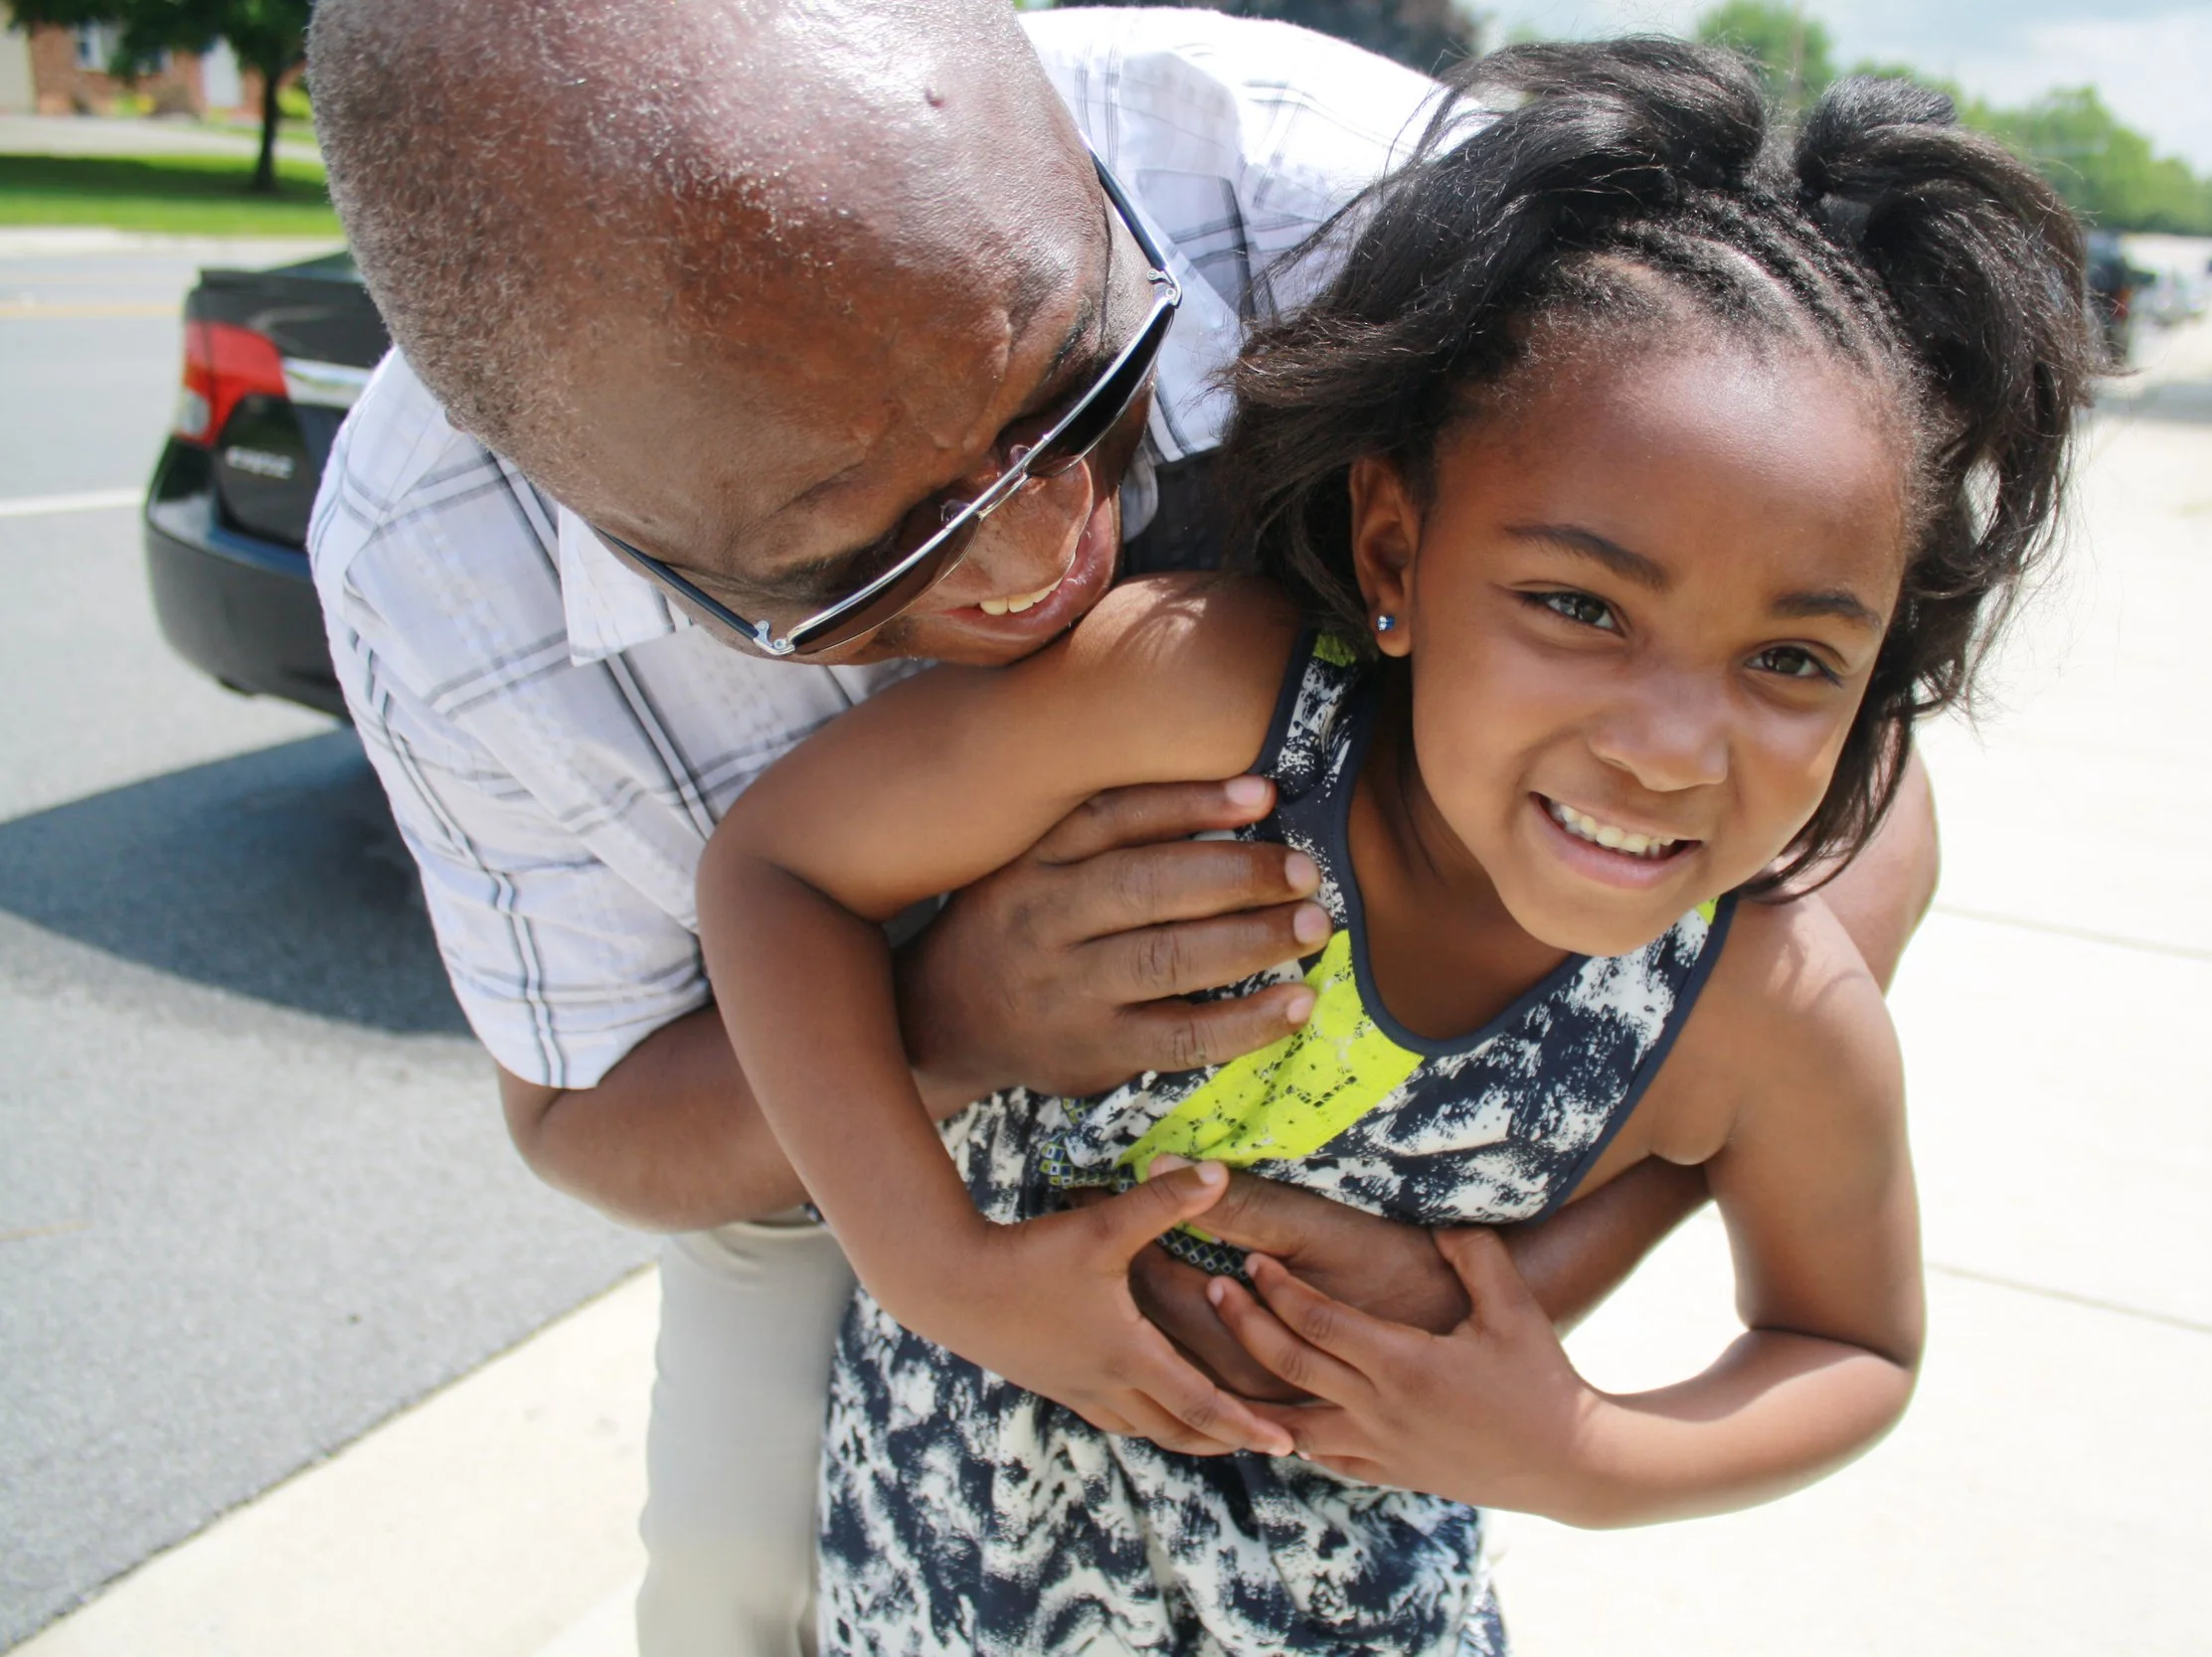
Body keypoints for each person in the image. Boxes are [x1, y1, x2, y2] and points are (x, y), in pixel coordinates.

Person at [302, 4, 1944, 1652]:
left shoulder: (1399, 207)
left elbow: (1852, 826)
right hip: (857, 1169)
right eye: (856, 560)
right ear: (598, 510)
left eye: (1078, 389)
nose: (1049, 563)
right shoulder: (434, 570)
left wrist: (1522, 1257)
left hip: (1348, 1398)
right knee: (737, 1593)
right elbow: (594, 1111)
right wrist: (950, 1044)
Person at [697, 41, 2091, 1657]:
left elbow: (1852, 1345)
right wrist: (938, 1265)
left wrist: (1580, 1450)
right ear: (1396, 551)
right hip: (953, 1558)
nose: (1666, 742)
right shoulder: (1198, 702)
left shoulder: (1770, 1017)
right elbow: (775, 875)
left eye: (1789, 661)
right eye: (1579, 607)